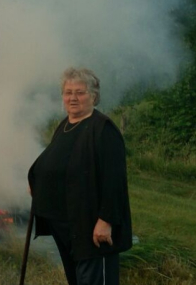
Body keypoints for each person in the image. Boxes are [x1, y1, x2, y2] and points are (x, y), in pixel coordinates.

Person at [28, 67, 132, 285]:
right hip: (66, 222)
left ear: (93, 96)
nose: (72, 98)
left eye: (80, 92)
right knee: (77, 279)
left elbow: (115, 182)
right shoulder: (65, 125)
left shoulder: (103, 129)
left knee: (94, 279)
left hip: (90, 224)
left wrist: (106, 221)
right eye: (68, 92)